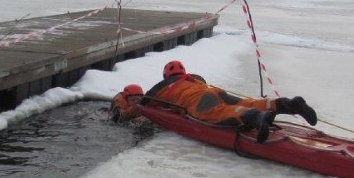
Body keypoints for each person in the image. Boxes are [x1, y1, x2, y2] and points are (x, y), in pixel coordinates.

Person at [116, 60, 318, 143]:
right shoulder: (192, 79)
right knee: (248, 102)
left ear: (165, 76)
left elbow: (143, 108)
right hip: (212, 90)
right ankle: (287, 104)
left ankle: (257, 118)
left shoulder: (161, 90)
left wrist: (126, 113)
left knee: (218, 113)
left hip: (197, 99)